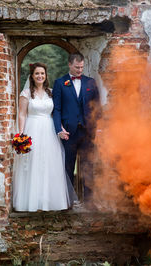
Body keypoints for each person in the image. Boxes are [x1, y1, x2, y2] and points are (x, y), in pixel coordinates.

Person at [13, 62, 72, 212]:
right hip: (32, 129)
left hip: (49, 130)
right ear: (32, 76)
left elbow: (55, 114)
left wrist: (61, 129)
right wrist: (21, 135)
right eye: (37, 73)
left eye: (42, 73)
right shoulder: (26, 93)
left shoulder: (51, 92)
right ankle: (31, 202)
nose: (40, 76)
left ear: (46, 76)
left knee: (49, 163)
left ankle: (49, 201)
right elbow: (22, 114)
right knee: (33, 164)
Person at [52, 53, 101, 205]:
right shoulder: (60, 83)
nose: (80, 70)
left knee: (88, 165)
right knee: (68, 167)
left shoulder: (91, 82)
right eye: (76, 67)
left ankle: (89, 201)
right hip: (68, 132)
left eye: (81, 67)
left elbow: (97, 108)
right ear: (69, 65)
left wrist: (99, 128)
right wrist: (58, 129)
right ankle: (68, 200)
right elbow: (57, 109)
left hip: (88, 132)